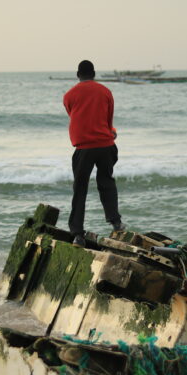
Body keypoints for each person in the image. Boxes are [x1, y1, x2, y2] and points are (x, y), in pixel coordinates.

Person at [63, 60, 125, 247]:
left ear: (78, 74)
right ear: (94, 73)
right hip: (105, 145)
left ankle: (78, 234)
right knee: (106, 182)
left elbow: (75, 116)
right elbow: (108, 120)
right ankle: (116, 222)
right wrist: (110, 131)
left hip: (84, 148)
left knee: (79, 190)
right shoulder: (106, 91)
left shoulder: (69, 95)